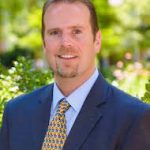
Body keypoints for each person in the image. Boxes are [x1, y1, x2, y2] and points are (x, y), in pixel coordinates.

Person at [0, 0, 150, 150]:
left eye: (77, 31)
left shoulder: (133, 118)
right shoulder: (16, 113)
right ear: (44, 43)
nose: (65, 43)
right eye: (54, 33)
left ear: (97, 41)